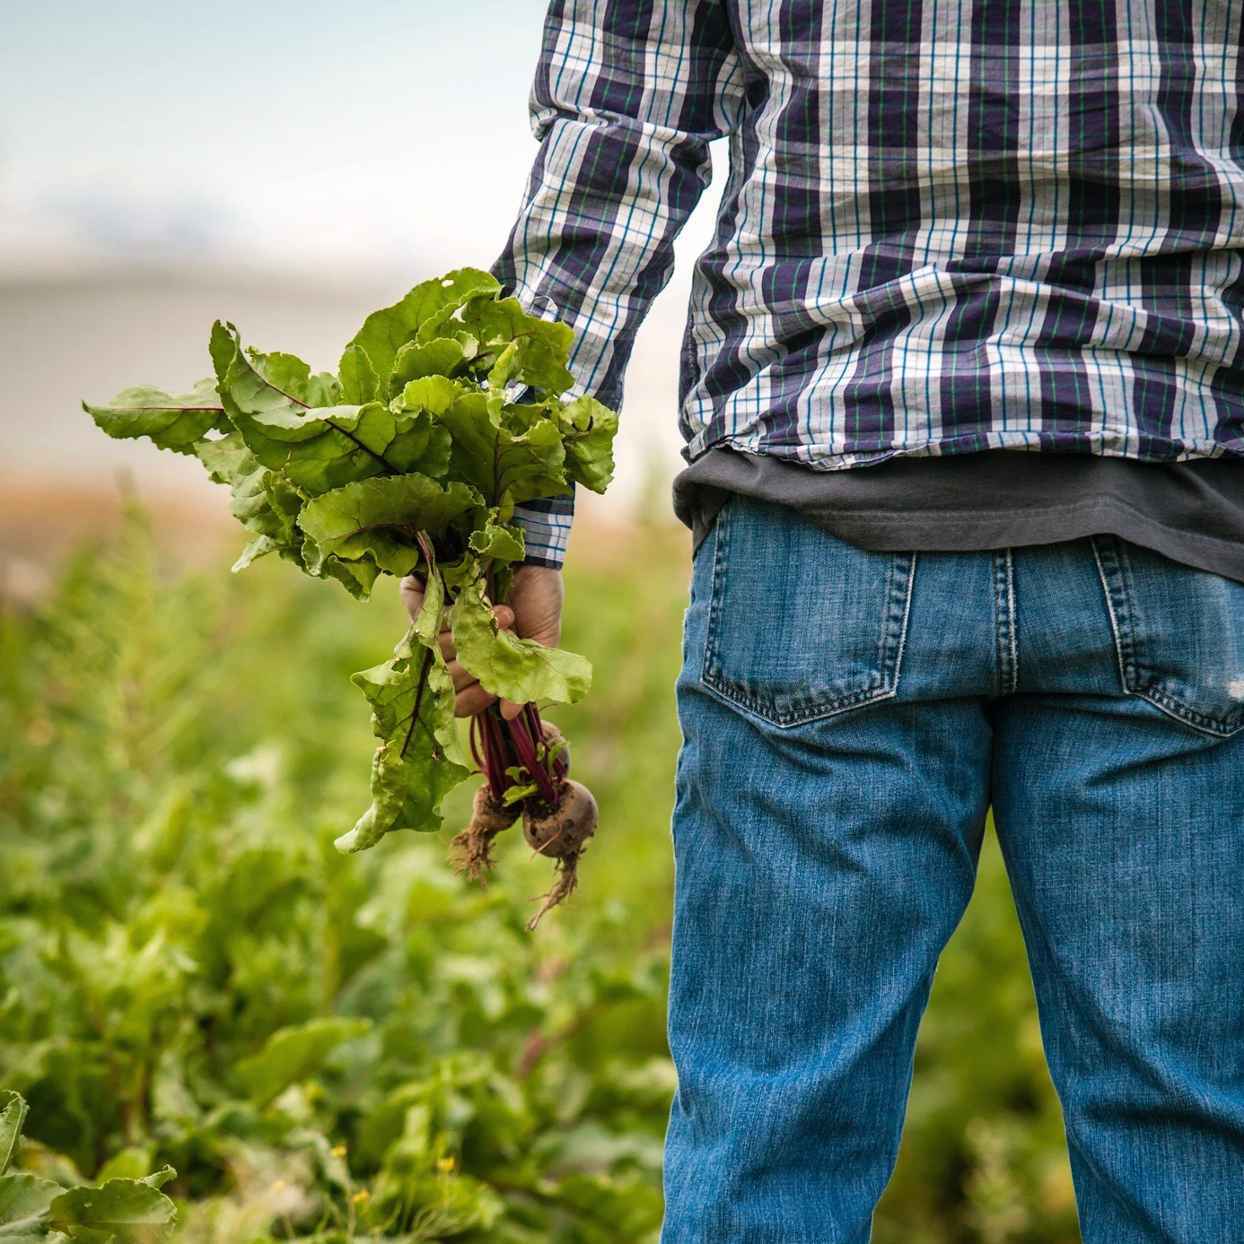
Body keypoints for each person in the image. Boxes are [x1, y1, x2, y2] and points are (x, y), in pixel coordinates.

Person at [405, 1, 1244, 1238]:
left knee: (769, 1148)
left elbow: (615, 138)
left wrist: (510, 523)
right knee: (1193, 1152)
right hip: (1166, 510)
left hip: (821, 516)